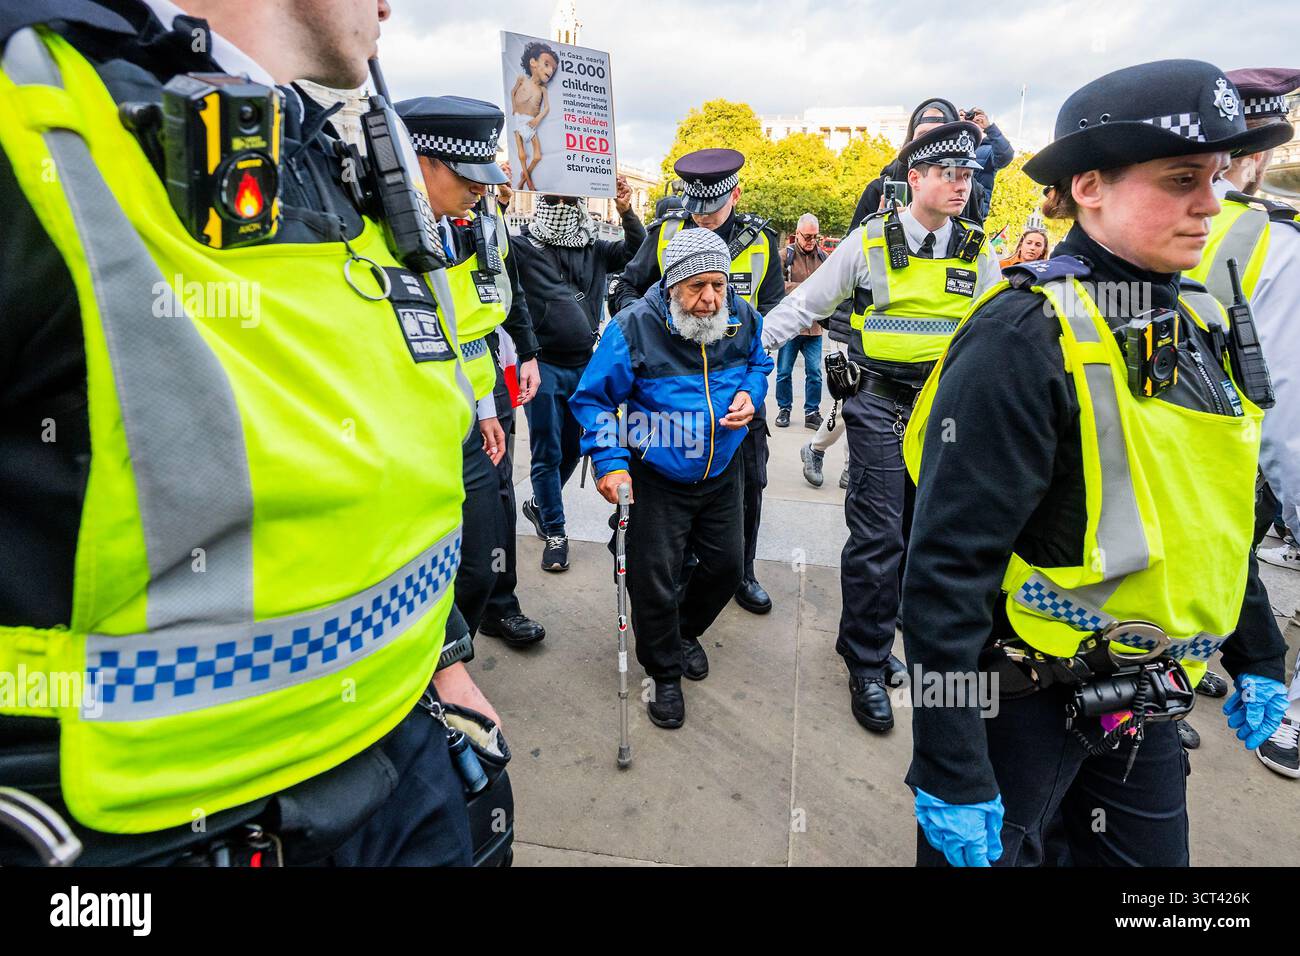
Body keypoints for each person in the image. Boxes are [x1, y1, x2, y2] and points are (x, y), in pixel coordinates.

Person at [0, 0, 498, 866]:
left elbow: (390, 466)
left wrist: (446, 661)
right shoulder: (34, 98)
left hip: (402, 758)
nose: (389, 6)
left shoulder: (327, 149)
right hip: (161, 827)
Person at [901, 60, 1293, 866]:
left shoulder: (1201, 319)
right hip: (1019, 705)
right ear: (1089, 186)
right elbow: (945, 569)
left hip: (1143, 706)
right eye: (1182, 178)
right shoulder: (1023, 335)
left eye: (1216, 177)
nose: (1211, 204)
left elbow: (1211, 515)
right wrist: (949, 761)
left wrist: (1259, 652)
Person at [763, 121, 1001, 736]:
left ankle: (887, 637)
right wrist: (746, 352)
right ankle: (865, 662)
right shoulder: (869, 241)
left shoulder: (977, 249)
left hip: (944, 413)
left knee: (925, 534)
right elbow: (804, 305)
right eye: (948, 173)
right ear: (914, 178)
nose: (961, 185)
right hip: (878, 403)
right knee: (878, 537)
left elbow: (1001, 333)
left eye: (968, 174)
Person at [570, 229, 773, 728]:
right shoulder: (633, 327)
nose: (710, 300)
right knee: (653, 579)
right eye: (697, 287)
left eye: (719, 286)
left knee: (726, 569)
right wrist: (610, 462)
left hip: (721, 469)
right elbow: (593, 400)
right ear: (672, 285)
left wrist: (751, 395)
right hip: (657, 474)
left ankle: (682, 632)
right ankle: (662, 671)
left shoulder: (742, 316)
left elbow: (758, 364)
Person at [1183, 66, 1300, 775]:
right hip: (1238, 454)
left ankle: (1181, 668)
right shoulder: (1271, 242)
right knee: (1224, 565)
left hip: (1165, 454)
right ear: (1255, 154)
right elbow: (1283, 401)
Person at [397, 95, 544, 645]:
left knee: (492, 517)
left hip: (478, 390)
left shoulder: (482, 215)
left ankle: (488, 613)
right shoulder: (389, 232)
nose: (481, 188)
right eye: (469, 176)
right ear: (422, 163)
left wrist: (522, 356)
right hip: (422, 410)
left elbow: (507, 289)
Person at [612, 148, 784, 616]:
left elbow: (772, 316)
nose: (703, 220)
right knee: (664, 492)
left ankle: (740, 572)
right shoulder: (668, 232)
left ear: (736, 195)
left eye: (712, 210)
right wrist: (647, 335)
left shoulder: (762, 241)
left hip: (734, 390)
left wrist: (749, 381)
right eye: (696, 210)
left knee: (747, 485)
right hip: (670, 389)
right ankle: (671, 572)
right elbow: (628, 286)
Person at [514, 180, 646, 573]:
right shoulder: (524, 247)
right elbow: (493, 253)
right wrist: (499, 202)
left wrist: (626, 211)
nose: (562, 206)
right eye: (554, 200)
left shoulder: (594, 248)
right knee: (547, 452)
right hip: (544, 366)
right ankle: (556, 532)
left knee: (574, 449)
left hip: (584, 366)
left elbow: (635, 254)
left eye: (570, 199)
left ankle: (541, 504)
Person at [851, 99, 990, 229]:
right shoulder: (879, 188)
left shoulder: (970, 189)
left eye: (940, 135)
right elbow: (853, 246)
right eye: (923, 135)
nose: (930, 142)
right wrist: (876, 228)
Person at [774, 213, 827, 431]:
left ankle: (812, 412)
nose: (811, 241)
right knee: (784, 371)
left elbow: (828, 288)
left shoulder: (823, 258)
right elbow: (776, 288)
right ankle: (784, 409)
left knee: (814, 373)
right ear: (797, 234)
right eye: (807, 236)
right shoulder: (783, 256)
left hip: (814, 328)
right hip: (790, 327)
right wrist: (804, 290)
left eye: (815, 236)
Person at [509, 40, 557, 190]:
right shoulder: (522, 79)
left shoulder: (543, 89)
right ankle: (528, 182)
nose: (550, 71)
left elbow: (547, 108)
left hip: (531, 121)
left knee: (537, 156)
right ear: (533, 62)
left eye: (553, 69)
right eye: (547, 64)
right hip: (519, 119)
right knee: (521, 152)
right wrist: (514, 108)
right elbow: (512, 92)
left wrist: (537, 118)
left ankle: (524, 180)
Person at [960, 107, 1014, 221]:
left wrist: (990, 128)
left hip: (974, 215)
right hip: (946, 211)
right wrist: (952, 124)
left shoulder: (988, 150)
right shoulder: (948, 146)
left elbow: (1005, 155)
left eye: (974, 123)